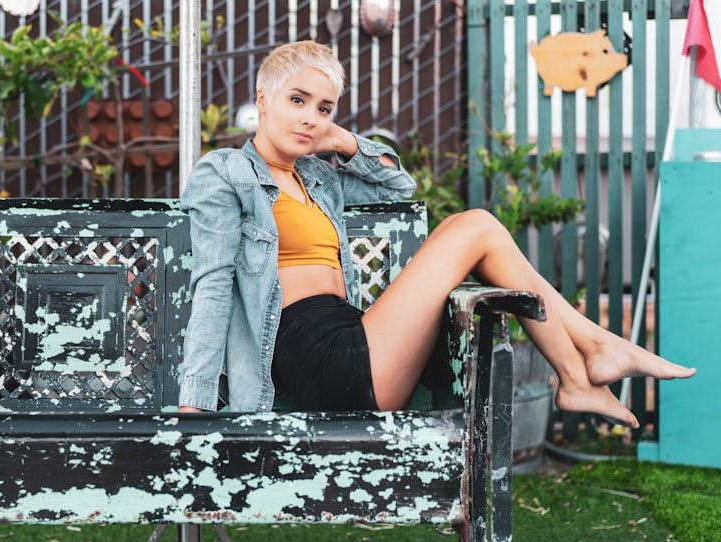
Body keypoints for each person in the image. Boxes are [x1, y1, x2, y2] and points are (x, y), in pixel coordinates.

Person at [176, 40, 694, 428]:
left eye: (324, 107)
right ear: (262, 99)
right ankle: (588, 359)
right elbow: (214, 283)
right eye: (297, 100)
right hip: (315, 356)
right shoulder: (224, 173)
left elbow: (400, 185)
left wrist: (339, 139)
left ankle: (583, 371)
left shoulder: (316, 177)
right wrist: (194, 405)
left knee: (479, 229)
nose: (311, 118)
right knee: (476, 227)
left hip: (353, 337)